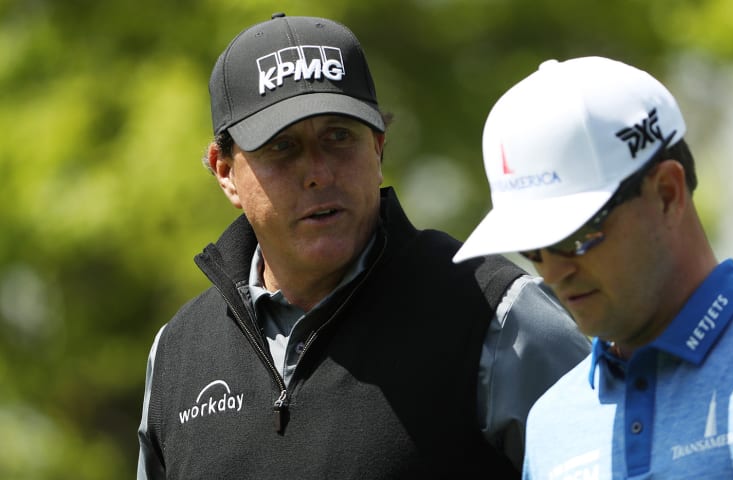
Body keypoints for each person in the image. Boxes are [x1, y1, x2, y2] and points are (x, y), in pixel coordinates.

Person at [136, 13, 591, 479]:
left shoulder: (498, 317)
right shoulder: (177, 354)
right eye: (282, 147)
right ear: (225, 171)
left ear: (378, 147)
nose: (319, 172)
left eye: (339, 137)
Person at [453, 56, 733, 479]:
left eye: (575, 237)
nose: (552, 273)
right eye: (534, 249)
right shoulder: (550, 424)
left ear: (666, 192)